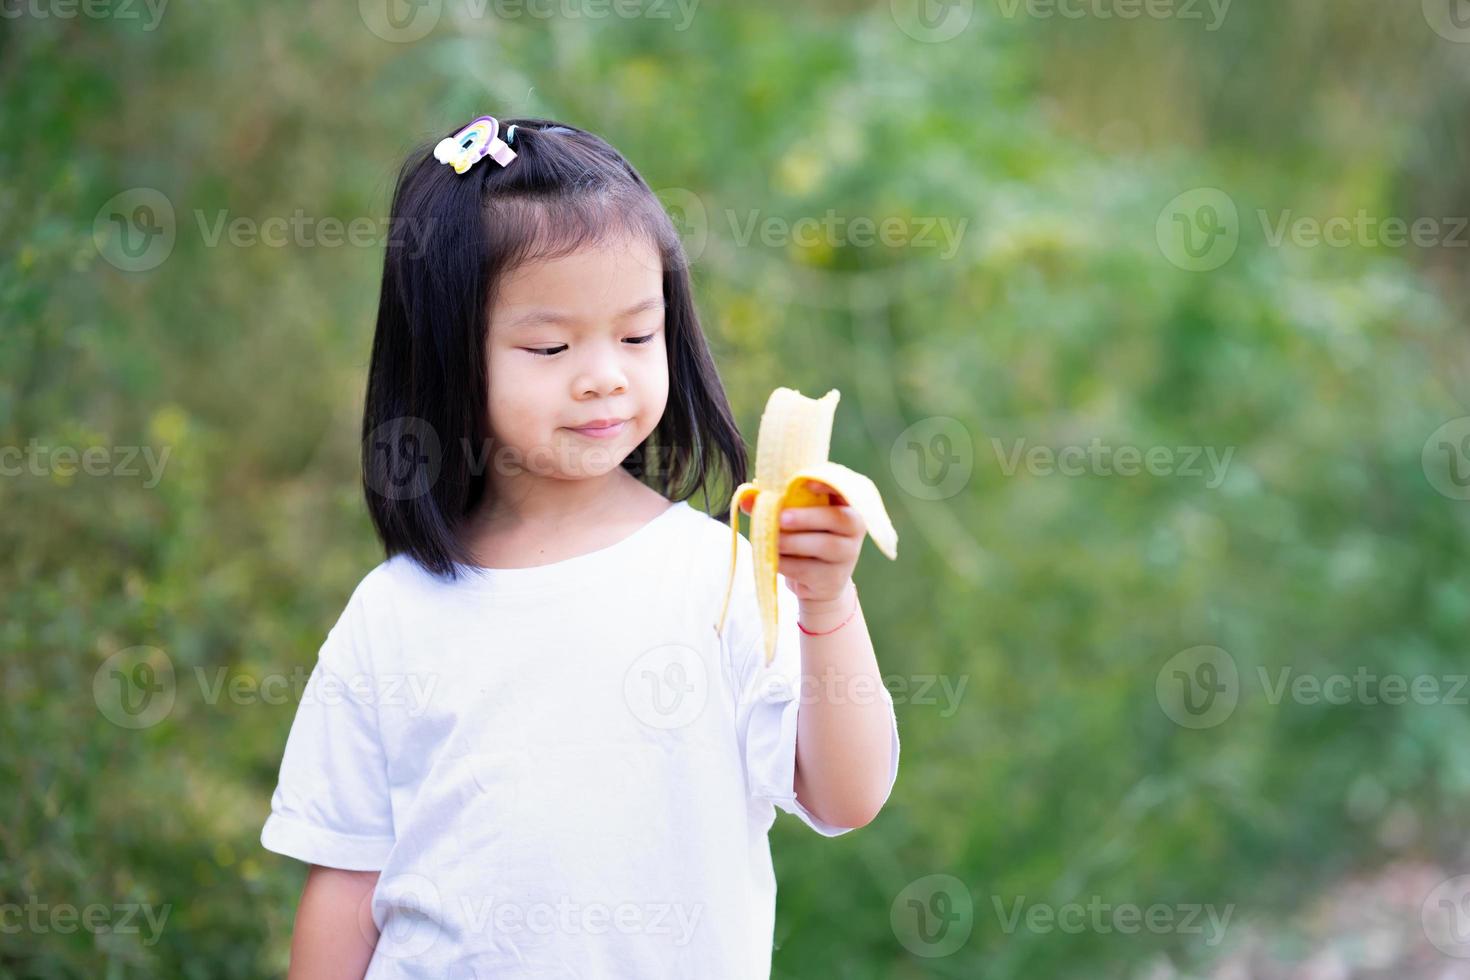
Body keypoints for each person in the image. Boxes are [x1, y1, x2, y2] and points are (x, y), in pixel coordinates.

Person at [258, 114, 901, 979]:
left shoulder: (714, 578)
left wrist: (825, 603)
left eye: (637, 335)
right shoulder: (395, 614)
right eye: (550, 345)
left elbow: (847, 794)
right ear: (448, 357)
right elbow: (345, 885)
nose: (603, 373)